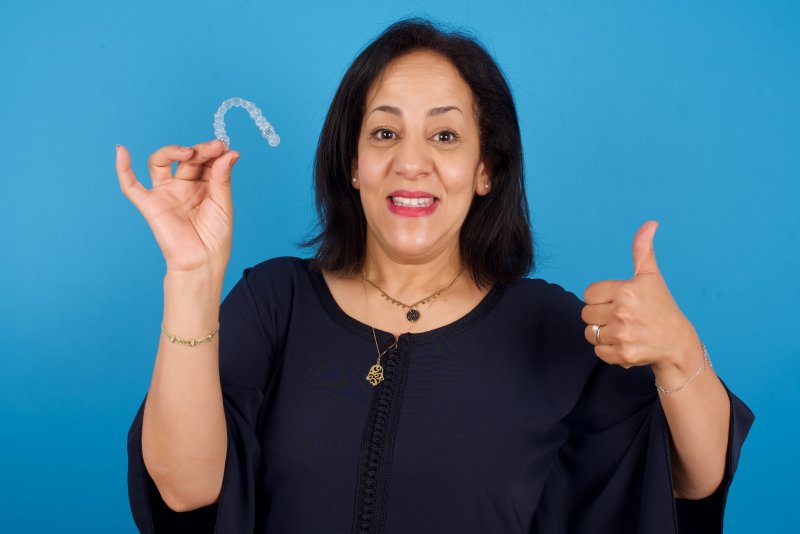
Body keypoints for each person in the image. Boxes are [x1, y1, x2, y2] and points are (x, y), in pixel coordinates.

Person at [117, 18, 753, 534]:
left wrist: (679, 354)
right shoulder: (274, 301)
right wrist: (192, 277)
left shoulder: (551, 327)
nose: (411, 162)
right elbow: (184, 485)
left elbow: (688, 480)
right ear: (353, 165)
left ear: (486, 171)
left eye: (445, 135)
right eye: (385, 132)